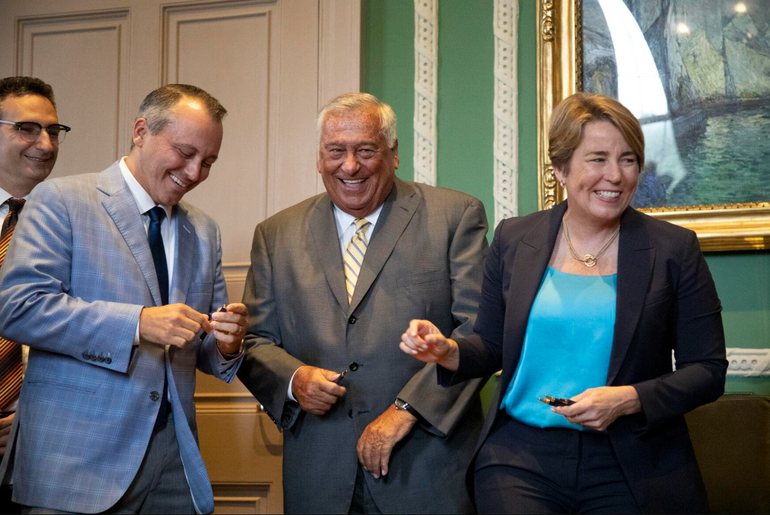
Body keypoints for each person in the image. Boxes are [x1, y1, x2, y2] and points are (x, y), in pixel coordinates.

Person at [400, 92, 727, 514]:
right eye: (598, 159)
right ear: (560, 169)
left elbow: (708, 370)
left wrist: (629, 399)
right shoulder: (515, 239)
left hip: (632, 459)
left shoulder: (673, 249)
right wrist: (449, 351)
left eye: (628, 159)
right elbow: (493, 344)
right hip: (518, 458)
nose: (615, 175)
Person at [0, 84, 249, 514]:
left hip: (175, 462)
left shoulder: (204, 230)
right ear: (141, 131)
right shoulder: (60, 199)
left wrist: (227, 341)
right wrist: (137, 324)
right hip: (75, 463)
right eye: (185, 153)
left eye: (207, 162)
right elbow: (19, 307)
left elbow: (201, 348)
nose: (194, 173)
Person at [237, 92, 488, 514]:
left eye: (365, 150)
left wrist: (405, 412)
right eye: (335, 151)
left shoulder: (455, 215)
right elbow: (255, 341)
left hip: (425, 466)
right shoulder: (275, 234)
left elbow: (478, 332)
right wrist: (294, 380)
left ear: (393, 155)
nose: (349, 166)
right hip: (319, 473)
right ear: (319, 158)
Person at [0, 76, 67, 511]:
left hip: (48, 455)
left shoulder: (78, 224)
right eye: (27, 128)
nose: (45, 143)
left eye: (53, 131)